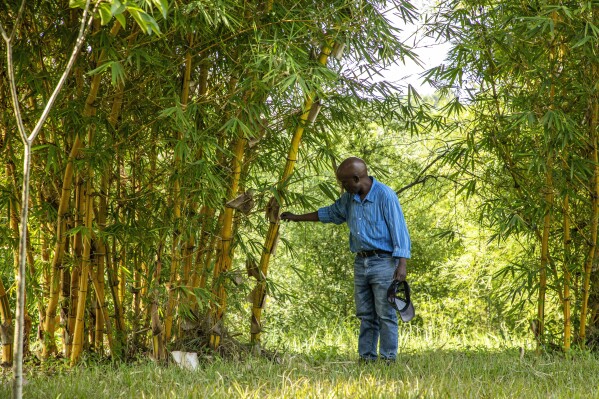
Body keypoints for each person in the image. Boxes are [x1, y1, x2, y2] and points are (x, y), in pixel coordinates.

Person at [281, 157, 411, 362]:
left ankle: (388, 359)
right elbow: (330, 213)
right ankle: (367, 358)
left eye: (344, 183)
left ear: (357, 178)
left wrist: (401, 263)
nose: (342, 188)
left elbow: (399, 230)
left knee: (386, 314)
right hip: (361, 262)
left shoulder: (385, 195)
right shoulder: (349, 199)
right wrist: (296, 217)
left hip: (384, 262)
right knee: (366, 314)